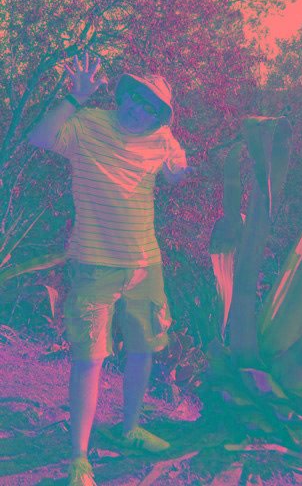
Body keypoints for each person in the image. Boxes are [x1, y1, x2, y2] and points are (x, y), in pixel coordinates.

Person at [28, 53, 196, 486]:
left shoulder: (162, 138)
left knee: (142, 350)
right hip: (94, 264)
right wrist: (74, 97)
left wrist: (179, 167)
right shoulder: (89, 125)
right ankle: (79, 460)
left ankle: (130, 428)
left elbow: (176, 173)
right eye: (136, 99)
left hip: (145, 264)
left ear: (160, 116)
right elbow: (40, 138)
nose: (139, 110)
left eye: (151, 107)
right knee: (90, 360)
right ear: (123, 96)